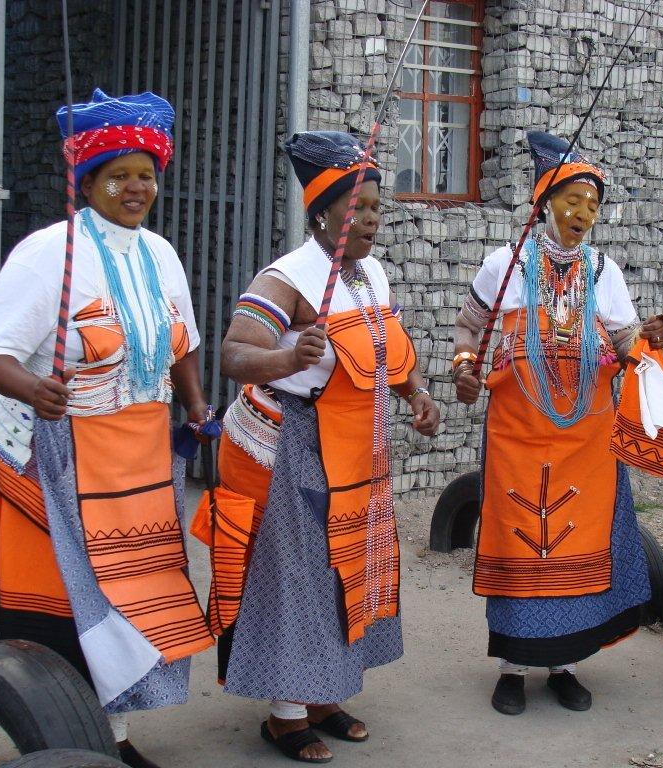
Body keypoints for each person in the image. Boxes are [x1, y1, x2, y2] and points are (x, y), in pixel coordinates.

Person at [0, 89, 213, 768]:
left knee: (135, 597)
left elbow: (183, 341)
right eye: (118, 175)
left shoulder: (162, 254)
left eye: (146, 174)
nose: (136, 188)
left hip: (137, 455)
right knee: (65, 603)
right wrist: (33, 388)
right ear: (87, 181)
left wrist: (195, 407)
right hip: (55, 455)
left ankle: (114, 741)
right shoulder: (50, 254)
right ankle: (54, 738)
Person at [218, 130, 440, 764]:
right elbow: (236, 352)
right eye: (358, 209)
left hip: (359, 447)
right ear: (322, 212)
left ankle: (326, 693)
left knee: (349, 567)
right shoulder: (288, 278)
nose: (370, 221)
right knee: (300, 573)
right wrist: (288, 355)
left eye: (376, 208)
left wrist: (415, 393)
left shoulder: (371, 274)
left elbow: (386, 357)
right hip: (296, 445)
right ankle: (286, 715)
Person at [452, 131, 663, 716]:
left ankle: (565, 665)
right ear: (545, 202)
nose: (582, 214)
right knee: (520, 546)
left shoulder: (604, 269)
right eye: (572, 200)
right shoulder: (507, 261)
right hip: (516, 433)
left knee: (577, 543)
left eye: (593, 205)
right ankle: (511, 668)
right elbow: (469, 331)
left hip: (586, 439)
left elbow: (626, 342)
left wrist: (645, 350)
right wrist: (463, 369)